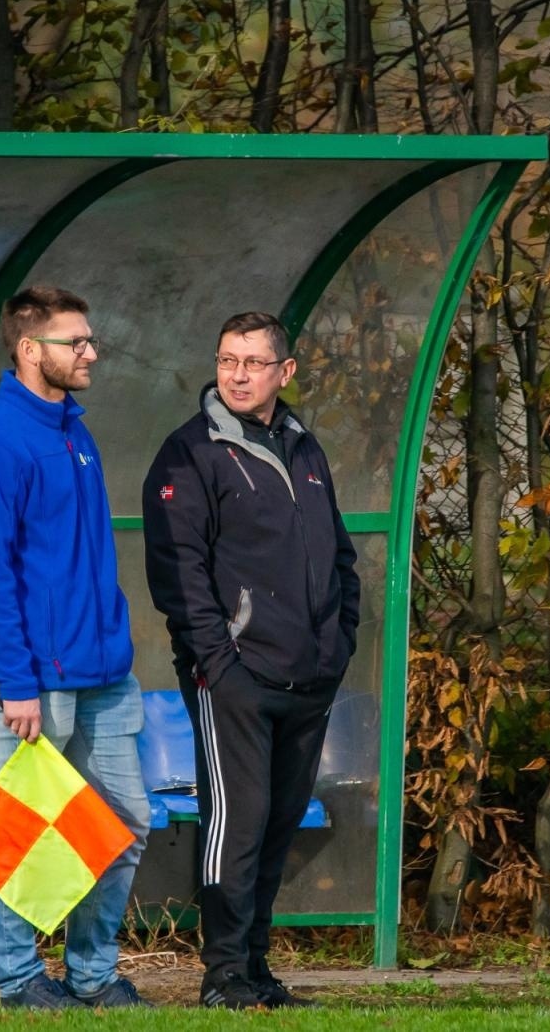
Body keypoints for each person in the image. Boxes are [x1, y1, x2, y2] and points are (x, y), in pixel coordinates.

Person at [142, 311, 360, 1010]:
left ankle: (257, 971)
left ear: (284, 372)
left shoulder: (303, 447)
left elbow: (340, 558)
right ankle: (223, 975)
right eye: (227, 360)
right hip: (235, 676)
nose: (237, 374)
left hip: (309, 676)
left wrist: (339, 642)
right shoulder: (191, 452)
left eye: (252, 362)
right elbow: (179, 572)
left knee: (277, 822)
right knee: (236, 822)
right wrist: (217, 663)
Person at [0, 285, 151, 1010]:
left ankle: (94, 974)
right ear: (31, 351)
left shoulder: (75, 432)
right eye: (76, 342)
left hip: (104, 677)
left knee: (125, 825)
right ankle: (22, 979)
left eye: (91, 339)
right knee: (19, 838)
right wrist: (15, 679)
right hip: (33, 683)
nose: (91, 353)